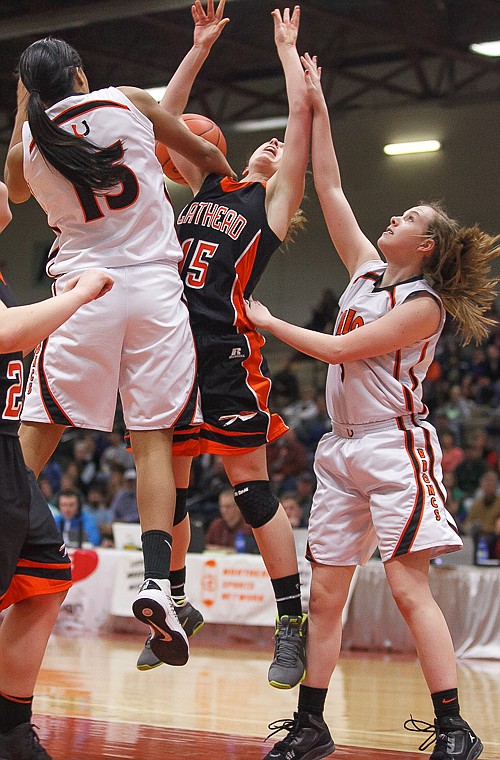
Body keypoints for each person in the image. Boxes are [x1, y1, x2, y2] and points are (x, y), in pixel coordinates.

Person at [244, 53, 496, 760]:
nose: (394, 214)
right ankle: (312, 723)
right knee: (327, 595)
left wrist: (268, 322)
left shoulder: (423, 305)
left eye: (409, 216)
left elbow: (338, 352)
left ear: (427, 246)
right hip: (342, 449)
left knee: (409, 588)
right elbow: (327, 183)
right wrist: (316, 100)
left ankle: (454, 726)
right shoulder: (363, 272)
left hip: (393, 446)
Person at [4, 35, 234, 669]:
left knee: (38, 431)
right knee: (153, 440)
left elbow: (15, 194)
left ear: (30, 90)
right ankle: (159, 583)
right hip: (158, 291)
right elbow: (207, 156)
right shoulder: (128, 101)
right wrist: (207, 183)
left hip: (84, 293)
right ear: (81, 73)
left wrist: (24, 107)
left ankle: (2, 550)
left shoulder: (30, 147)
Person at [137, 1, 311, 689]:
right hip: (169, 352)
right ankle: (177, 606)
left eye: (276, 149)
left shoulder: (269, 205)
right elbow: (162, 117)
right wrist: (200, 46)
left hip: (225, 353)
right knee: (171, 496)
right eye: (260, 141)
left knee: (254, 491)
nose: (269, 145)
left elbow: (300, 128)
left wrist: (289, 54)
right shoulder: (209, 182)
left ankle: (290, 622)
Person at [0, 182, 115, 760]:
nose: (4, 186)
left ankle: (11, 729)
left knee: (45, 578)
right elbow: (6, 334)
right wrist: (81, 293)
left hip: (7, 462)